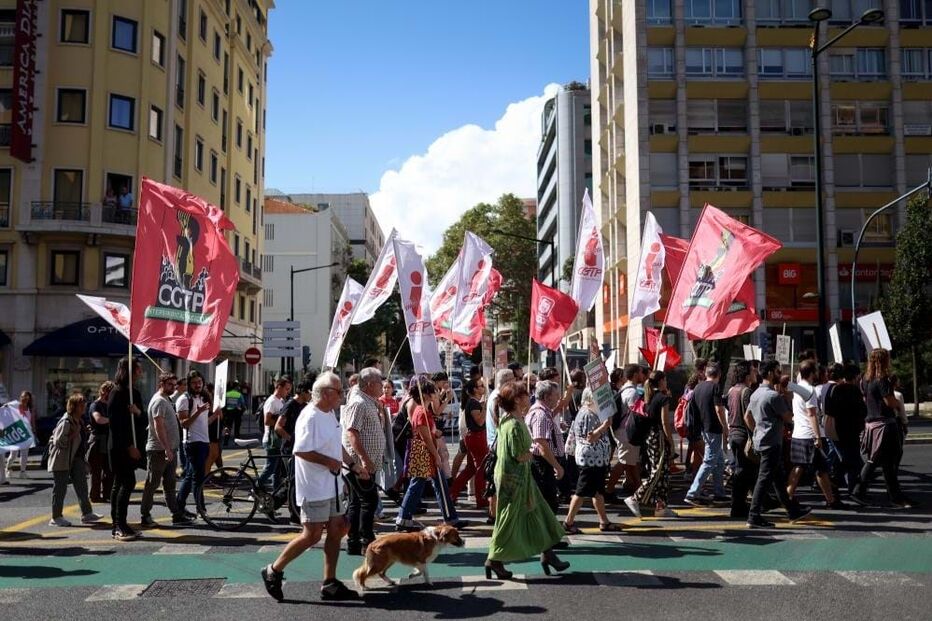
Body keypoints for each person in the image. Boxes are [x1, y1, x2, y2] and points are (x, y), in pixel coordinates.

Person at [261, 372, 362, 602]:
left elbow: (336, 446)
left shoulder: (330, 413)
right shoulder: (310, 416)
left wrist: (354, 465)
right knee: (312, 535)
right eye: (339, 391)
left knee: (337, 529)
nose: (342, 395)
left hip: (333, 484)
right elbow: (300, 450)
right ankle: (273, 570)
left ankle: (330, 582)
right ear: (326, 393)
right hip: (314, 487)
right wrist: (329, 462)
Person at [485, 381, 568, 580]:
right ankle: (494, 559)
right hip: (514, 478)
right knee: (509, 519)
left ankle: (548, 553)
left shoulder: (509, 419)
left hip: (516, 476)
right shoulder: (513, 423)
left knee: (539, 512)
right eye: (523, 395)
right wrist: (533, 452)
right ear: (516, 400)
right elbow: (519, 454)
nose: (527, 398)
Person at [395, 379, 467, 531]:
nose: (437, 394)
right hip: (425, 452)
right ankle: (405, 518)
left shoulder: (423, 411)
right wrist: (436, 456)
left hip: (425, 451)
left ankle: (405, 518)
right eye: (434, 391)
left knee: (427, 485)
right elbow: (426, 437)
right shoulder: (421, 412)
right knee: (424, 485)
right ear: (427, 395)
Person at [746, 360, 812, 528]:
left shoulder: (755, 394)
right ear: (769, 373)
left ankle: (792, 511)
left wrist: (757, 431)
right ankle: (753, 515)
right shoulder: (773, 396)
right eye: (777, 371)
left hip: (761, 441)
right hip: (771, 444)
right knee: (765, 479)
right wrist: (788, 397)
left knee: (778, 480)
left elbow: (748, 417)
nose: (779, 375)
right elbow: (788, 417)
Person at [852, 349, 914, 508]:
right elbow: (890, 403)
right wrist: (898, 405)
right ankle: (859, 490)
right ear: (884, 361)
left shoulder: (865, 379)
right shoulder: (882, 380)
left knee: (885, 462)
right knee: (881, 460)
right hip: (886, 424)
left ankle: (895, 496)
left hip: (872, 424)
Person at [341, 367, 386, 556]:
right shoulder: (359, 402)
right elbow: (352, 433)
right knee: (368, 501)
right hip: (360, 465)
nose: (382, 386)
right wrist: (364, 461)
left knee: (357, 502)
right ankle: (366, 540)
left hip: (365, 464)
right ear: (369, 385)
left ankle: (354, 541)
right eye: (379, 382)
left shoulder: (369, 401)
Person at [562, 388, 617, 533]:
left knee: (597, 491)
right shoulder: (587, 414)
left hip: (596, 458)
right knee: (581, 491)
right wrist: (604, 426)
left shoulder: (591, 412)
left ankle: (603, 521)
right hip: (590, 459)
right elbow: (590, 438)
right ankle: (568, 522)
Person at [786, 361, 841, 508]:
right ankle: (830, 501)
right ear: (812, 373)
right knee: (819, 469)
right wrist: (817, 436)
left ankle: (788, 496)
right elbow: (812, 415)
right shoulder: (810, 390)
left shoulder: (796, 388)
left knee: (804, 467)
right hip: (810, 434)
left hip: (798, 433)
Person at [626, 370, 676, 519]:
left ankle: (661, 506)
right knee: (658, 471)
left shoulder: (647, 396)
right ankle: (635, 497)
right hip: (659, 436)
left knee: (664, 473)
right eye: (665, 380)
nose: (666, 383)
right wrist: (671, 443)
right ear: (661, 381)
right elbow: (665, 423)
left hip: (649, 437)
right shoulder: (662, 398)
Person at [47, 392, 101, 527]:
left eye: (84, 404)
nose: (84, 407)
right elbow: (59, 442)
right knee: (60, 489)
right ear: (74, 407)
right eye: (81, 405)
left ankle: (87, 514)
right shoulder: (66, 421)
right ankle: (56, 517)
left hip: (76, 458)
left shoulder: (79, 421)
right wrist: (74, 434)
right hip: (62, 459)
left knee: (82, 486)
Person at [141, 373, 188, 527]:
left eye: (174, 385)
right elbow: (158, 426)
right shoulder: (159, 401)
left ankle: (176, 514)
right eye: (169, 384)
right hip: (159, 450)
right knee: (152, 484)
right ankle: (145, 515)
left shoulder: (166, 399)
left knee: (170, 484)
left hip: (170, 450)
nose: (172, 387)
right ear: (161, 384)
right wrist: (167, 448)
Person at [108, 356, 146, 541]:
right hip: (120, 447)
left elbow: (143, 420)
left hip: (132, 444)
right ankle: (118, 524)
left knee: (119, 484)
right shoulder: (117, 393)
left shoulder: (134, 393)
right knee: (127, 482)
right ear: (128, 371)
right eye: (137, 369)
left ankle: (118, 523)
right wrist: (129, 446)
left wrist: (137, 412)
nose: (140, 372)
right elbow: (116, 425)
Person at [175, 370, 220, 523]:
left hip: (204, 441)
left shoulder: (203, 398)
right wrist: (198, 412)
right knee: (197, 477)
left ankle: (179, 507)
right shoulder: (183, 399)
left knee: (192, 476)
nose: (198, 385)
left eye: (200, 382)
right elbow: (184, 423)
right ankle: (200, 509)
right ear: (189, 384)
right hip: (192, 442)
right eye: (194, 383)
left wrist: (215, 415)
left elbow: (204, 423)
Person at [684, 364, 728, 506]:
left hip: (704, 428)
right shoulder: (715, 387)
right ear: (718, 375)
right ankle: (692, 493)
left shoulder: (698, 388)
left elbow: (695, 409)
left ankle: (719, 492)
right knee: (709, 461)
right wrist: (725, 426)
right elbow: (718, 409)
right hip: (714, 428)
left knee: (719, 461)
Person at [824, 363, 866, 496]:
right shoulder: (853, 390)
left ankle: (835, 483)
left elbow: (829, 410)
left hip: (835, 429)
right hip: (850, 430)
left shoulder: (832, 389)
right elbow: (862, 411)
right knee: (854, 462)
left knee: (843, 460)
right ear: (855, 377)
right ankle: (853, 490)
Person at [605, 364, 644, 500]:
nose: (642, 375)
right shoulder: (632, 392)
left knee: (630, 462)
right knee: (623, 462)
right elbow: (637, 414)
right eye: (640, 373)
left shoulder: (624, 390)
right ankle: (609, 491)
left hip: (623, 431)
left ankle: (639, 490)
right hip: (626, 432)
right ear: (635, 375)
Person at [449, 378, 489, 509]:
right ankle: (481, 499)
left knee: (471, 469)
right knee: (480, 469)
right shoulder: (473, 403)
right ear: (475, 390)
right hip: (476, 437)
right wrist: (484, 407)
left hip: (475, 437)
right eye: (480, 386)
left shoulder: (473, 403)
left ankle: (452, 494)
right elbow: (479, 421)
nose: (483, 388)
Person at [526, 380, 565, 514]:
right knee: (548, 505)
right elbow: (541, 444)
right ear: (547, 397)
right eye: (556, 395)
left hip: (545, 463)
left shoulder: (544, 412)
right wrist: (557, 466)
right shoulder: (540, 414)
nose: (558, 398)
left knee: (548, 503)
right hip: (542, 464)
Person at [726, 362, 757, 518]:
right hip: (743, 435)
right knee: (745, 471)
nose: (755, 373)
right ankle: (738, 506)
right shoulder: (746, 391)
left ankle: (739, 504)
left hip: (733, 433)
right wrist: (755, 432)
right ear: (746, 375)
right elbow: (748, 416)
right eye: (752, 371)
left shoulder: (732, 390)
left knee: (742, 470)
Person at [257, 377, 292, 491]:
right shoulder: (272, 401)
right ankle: (255, 488)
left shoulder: (281, 401)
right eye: (286, 389)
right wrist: (280, 423)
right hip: (271, 440)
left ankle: (276, 495)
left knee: (277, 470)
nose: (288, 391)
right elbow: (267, 421)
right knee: (270, 468)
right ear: (279, 387)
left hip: (277, 439)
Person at [85, 382, 114, 502]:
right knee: (96, 471)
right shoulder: (95, 405)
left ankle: (107, 494)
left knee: (109, 470)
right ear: (103, 392)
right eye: (110, 392)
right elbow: (98, 419)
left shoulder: (111, 405)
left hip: (108, 440)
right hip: (97, 440)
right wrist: (113, 420)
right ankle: (95, 496)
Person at [5, 391, 35, 479]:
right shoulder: (15, 404)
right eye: (23, 396)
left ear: (29, 398)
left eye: (26, 396)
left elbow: (30, 421)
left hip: (26, 433)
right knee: (13, 454)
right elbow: (5, 407)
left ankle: (22, 472)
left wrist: (33, 431)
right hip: (16, 433)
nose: (25, 398)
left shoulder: (29, 408)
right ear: (20, 397)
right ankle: (8, 468)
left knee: (24, 454)